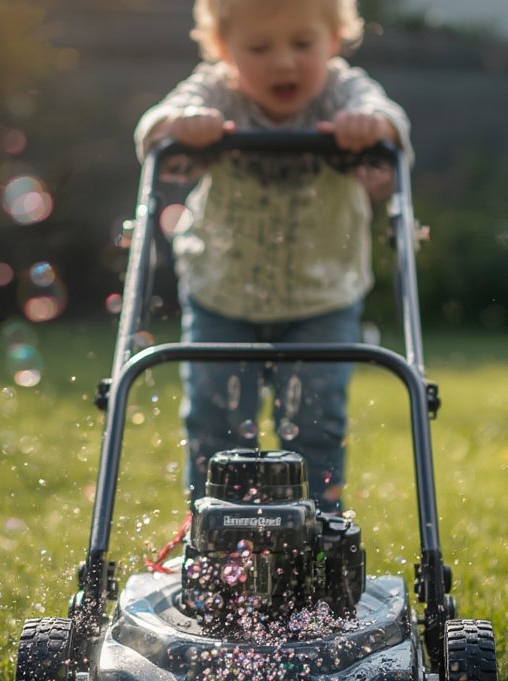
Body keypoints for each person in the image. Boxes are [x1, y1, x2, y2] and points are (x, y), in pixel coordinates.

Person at [134, 0, 412, 511]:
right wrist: (183, 124)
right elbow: (154, 130)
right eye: (259, 48)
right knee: (214, 423)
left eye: (302, 44)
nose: (282, 62)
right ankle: (213, 536)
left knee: (317, 424)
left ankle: (318, 534)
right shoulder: (215, 91)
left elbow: (391, 123)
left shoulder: (344, 92)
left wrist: (371, 126)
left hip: (322, 301)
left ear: (334, 41)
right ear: (224, 50)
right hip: (222, 296)